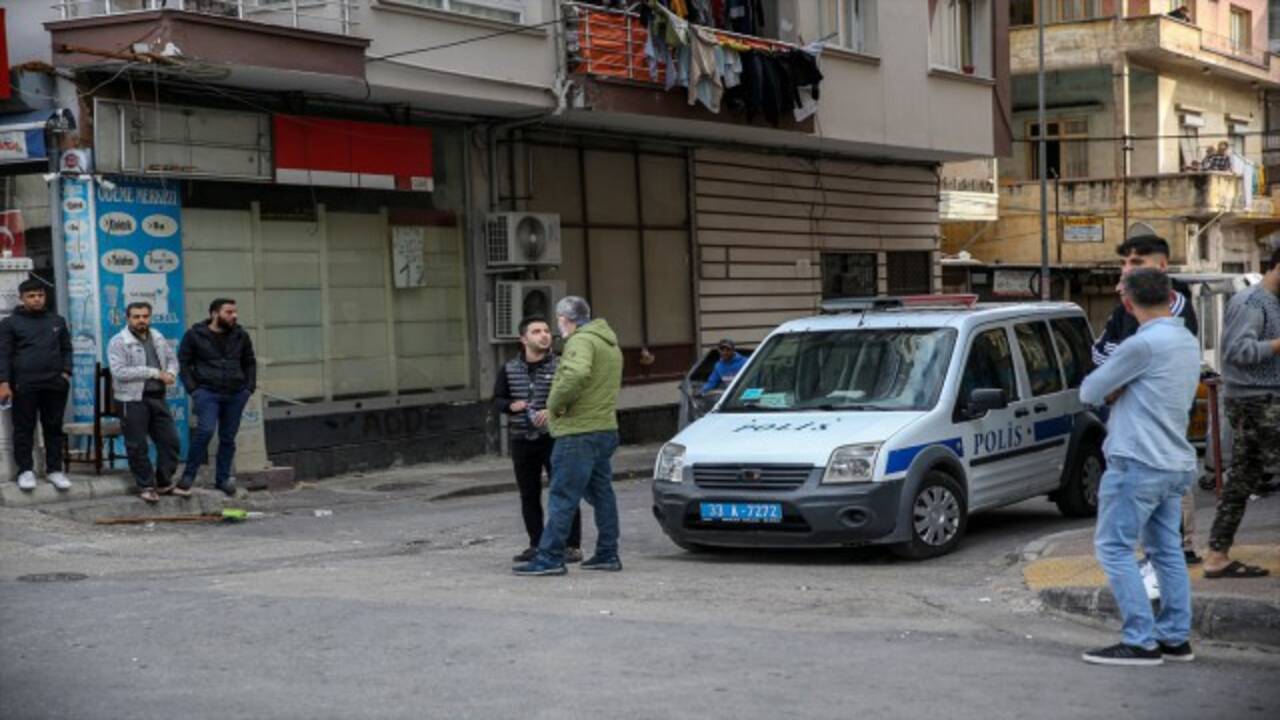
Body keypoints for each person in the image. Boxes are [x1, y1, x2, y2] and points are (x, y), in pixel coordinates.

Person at [1079, 268, 1201, 666]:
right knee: (1167, 551)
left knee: (1113, 547)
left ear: (1128, 303)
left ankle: (1140, 640)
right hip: (1174, 461)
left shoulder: (1141, 344)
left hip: (1138, 461)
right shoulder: (1186, 340)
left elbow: (1089, 391)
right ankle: (1175, 638)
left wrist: (1118, 387)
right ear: (1170, 297)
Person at [1091, 234, 1201, 563]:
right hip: (1128, 421)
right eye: (1124, 262)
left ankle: (1181, 547)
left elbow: (1137, 358)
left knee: (1166, 485)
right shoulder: (1124, 308)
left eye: (1137, 262)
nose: (1127, 269)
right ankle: (1159, 554)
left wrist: (1120, 368)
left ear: (1162, 266)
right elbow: (1100, 354)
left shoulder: (1174, 302)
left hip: (1159, 418)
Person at [514, 296, 624, 576]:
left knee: (562, 495)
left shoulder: (580, 341)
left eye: (558, 320)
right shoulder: (609, 343)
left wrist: (553, 406)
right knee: (602, 493)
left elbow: (575, 375)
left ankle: (550, 557)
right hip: (604, 428)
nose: (556, 327)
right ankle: (607, 553)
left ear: (565, 319)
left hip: (578, 432)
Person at [1202, 248, 1280, 580]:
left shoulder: (1272, 302)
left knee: (1244, 476)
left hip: (1262, 398)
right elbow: (1237, 351)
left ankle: (1217, 555)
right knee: (1244, 475)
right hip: (1257, 400)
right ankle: (1216, 554)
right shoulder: (1251, 302)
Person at [492, 316, 583, 564]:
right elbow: (497, 399)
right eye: (536, 331)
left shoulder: (562, 365)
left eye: (546, 331)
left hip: (555, 438)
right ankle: (537, 544)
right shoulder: (509, 368)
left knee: (563, 491)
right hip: (521, 438)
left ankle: (571, 545)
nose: (544, 335)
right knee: (528, 494)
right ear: (523, 339)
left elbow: (576, 398)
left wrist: (553, 411)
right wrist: (511, 405)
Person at [177, 298, 256, 496]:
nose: (234, 316)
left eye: (235, 312)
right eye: (229, 312)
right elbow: (183, 363)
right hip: (207, 392)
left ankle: (223, 479)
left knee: (228, 438)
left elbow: (249, 361)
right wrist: (194, 389)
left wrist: (249, 387)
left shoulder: (241, 335)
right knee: (205, 431)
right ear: (215, 314)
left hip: (236, 393)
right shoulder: (194, 335)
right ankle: (188, 476)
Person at [0, 278, 72, 492]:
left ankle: (54, 470)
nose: (37, 299)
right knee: (24, 428)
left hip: (55, 384)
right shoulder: (10, 323)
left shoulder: (57, 321)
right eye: (31, 296)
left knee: (54, 428)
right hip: (24, 385)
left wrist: (66, 373)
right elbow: (3, 355)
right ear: (21, 298)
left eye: (40, 295)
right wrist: (3, 383)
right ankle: (25, 471)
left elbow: (67, 349)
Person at [108, 302, 182, 504]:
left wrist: (171, 373)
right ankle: (146, 486)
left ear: (150, 317)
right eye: (136, 317)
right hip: (131, 399)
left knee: (171, 441)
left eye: (145, 316)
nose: (141, 320)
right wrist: (154, 372)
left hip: (157, 396)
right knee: (137, 445)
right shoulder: (119, 341)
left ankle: (164, 482)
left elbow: (172, 360)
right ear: (128, 318)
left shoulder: (157, 336)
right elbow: (119, 372)